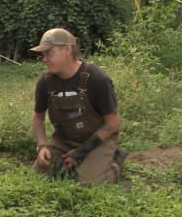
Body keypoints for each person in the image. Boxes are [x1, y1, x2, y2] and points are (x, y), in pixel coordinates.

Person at [30, 28, 127, 184]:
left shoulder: (96, 78)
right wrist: (42, 147)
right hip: (63, 141)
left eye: (49, 53)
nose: (44, 59)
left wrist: (82, 151)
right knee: (39, 176)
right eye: (43, 54)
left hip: (98, 140)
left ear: (68, 49)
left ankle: (116, 160)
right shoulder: (45, 82)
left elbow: (113, 123)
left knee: (88, 183)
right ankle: (75, 163)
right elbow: (38, 118)